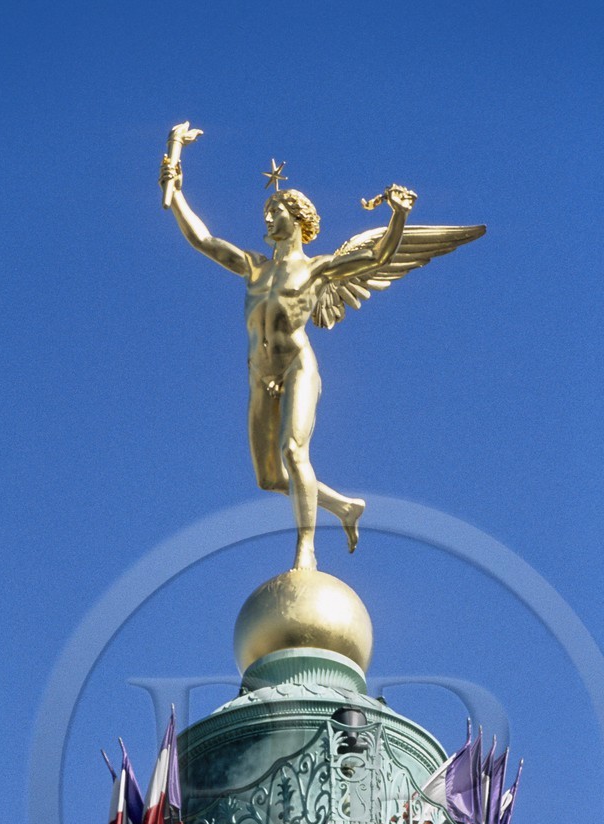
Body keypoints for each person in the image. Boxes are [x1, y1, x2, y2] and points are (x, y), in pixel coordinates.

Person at [161, 155, 415, 571]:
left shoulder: (318, 268)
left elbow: (378, 258)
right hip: (260, 374)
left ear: (296, 217)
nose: (267, 217)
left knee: (294, 451)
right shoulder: (253, 267)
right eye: (266, 211)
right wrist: (176, 196)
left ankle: (306, 550)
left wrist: (398, 217)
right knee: (269, 478)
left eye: (275, 210)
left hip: (297, 367)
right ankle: (345, 507)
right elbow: (203, 241)